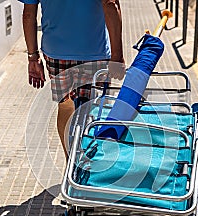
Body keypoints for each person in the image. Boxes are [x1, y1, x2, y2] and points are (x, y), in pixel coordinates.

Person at [20, 0, 125, 154]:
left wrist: (33, 57)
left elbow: (29, 14)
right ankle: (88, 162)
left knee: (65, 105)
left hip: (56, 53)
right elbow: (110, 4)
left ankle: (70, 160)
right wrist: (117, 55)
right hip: (94, 53)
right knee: (95, 108)